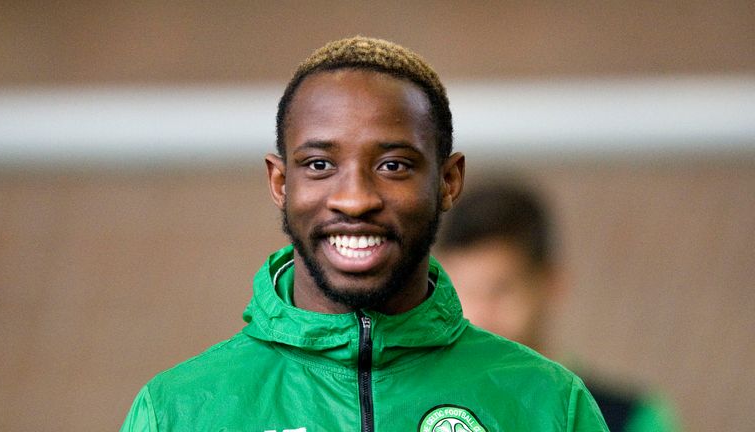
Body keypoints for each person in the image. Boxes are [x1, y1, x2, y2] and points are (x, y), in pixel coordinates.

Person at [120, 37, 608, 431]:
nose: (354, 200)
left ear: (448, 181)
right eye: (319, 165)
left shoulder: (550, 404)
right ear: (280, 183)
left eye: (393, 165)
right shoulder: (176, 411)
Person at [438, 180, 680, 432]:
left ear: (551, 284)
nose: (479, 314)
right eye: (463, 290)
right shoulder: (425, 406)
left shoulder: (627, 420)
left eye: (500, 290)